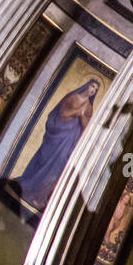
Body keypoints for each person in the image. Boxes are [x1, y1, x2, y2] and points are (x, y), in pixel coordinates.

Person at [11, 78, 99, 211]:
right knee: (44, 161)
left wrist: (82, 117)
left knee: (57, 168)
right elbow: (62, 114)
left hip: (69, 143)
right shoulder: (73, 97)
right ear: (87, 85)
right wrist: (77, 112)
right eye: (92, 86)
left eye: (96, 90)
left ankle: (39, 198)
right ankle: (28, 187)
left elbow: (85, 128)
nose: (93, 90)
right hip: (58, 137)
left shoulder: (89, 107)